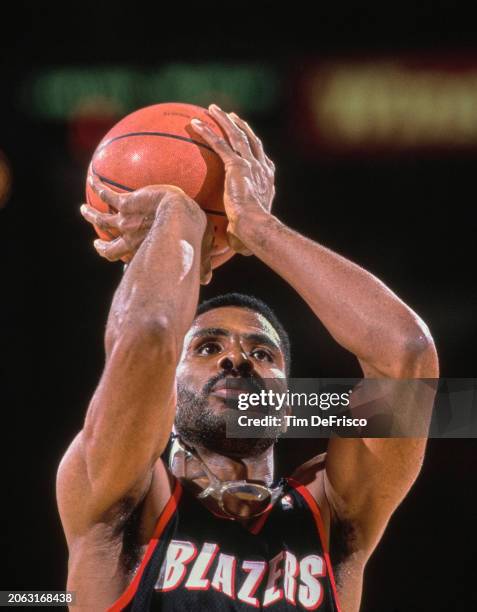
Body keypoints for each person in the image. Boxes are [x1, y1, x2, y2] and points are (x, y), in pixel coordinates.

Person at [57, 104, 439, 611]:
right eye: (207, 347)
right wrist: (180, 214)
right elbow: (148, 338)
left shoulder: (332, 516)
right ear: (165, 389)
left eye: (263, 353)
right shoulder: (124, 496)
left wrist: (259, 228)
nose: (237, 361)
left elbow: (406, 355)